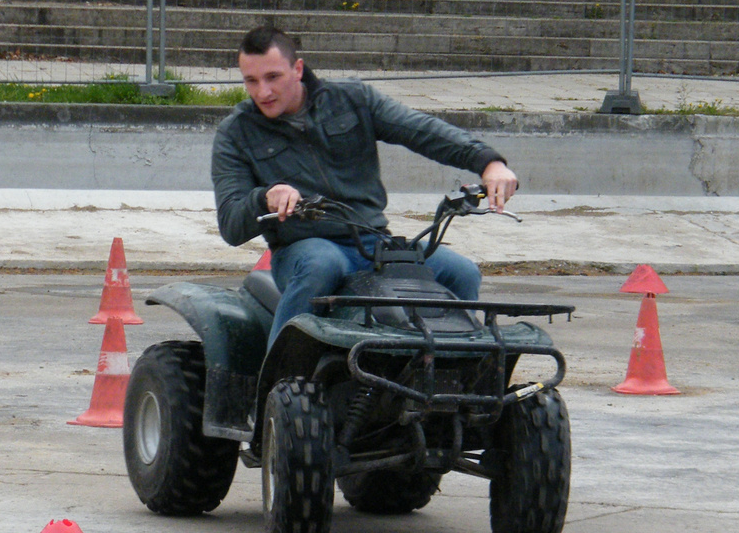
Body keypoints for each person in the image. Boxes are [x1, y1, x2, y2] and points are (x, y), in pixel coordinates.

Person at [211, 25, 518, 345]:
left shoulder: (352, 100)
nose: (262, 92)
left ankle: (456, 373)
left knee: (462, 272)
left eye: (272, 77)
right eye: (251, 81)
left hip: (373, 243)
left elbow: (422, 130)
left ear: (297, 69)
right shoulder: (236, 133)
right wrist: (265, 198)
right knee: (321, 264)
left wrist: (488, 162)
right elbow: (231, 225)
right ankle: (278, 382)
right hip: (303, 249)